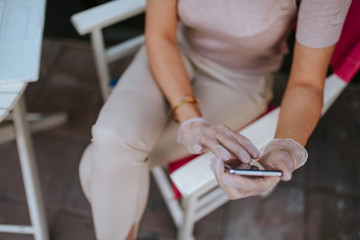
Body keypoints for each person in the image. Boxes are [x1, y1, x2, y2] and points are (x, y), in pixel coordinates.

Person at [79, 0, 352, 239]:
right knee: (110, 139)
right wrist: (191, 120)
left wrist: (286, 146)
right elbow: (160, 35)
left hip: (240, 80)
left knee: (96, 165)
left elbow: (307, 83)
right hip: (171, 50)